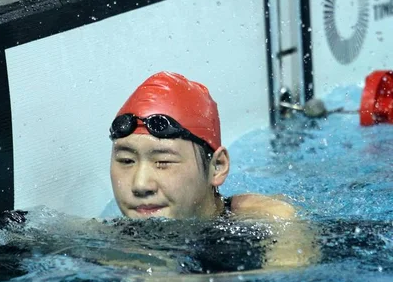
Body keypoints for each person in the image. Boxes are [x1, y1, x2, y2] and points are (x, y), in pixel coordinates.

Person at [109, 71, 318, 269]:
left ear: (217, 167)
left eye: (163, 162)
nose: (140, 184)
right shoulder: (107, 238)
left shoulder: (269, 221)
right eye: (126, 161)